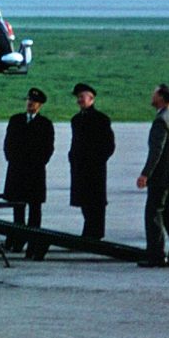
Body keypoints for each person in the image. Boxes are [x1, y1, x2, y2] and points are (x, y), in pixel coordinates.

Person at [2, 87, 55, 259]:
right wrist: (13, 159)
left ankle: (33, 241)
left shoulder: (45, 124)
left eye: (34, 102)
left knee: (35, 209)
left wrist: (36, 163)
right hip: (17, 170)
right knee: (18, 208)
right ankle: (18, 240)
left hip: (35, 172)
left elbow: (48, 148)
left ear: (40, 105)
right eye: (29, 101)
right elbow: (8, 143)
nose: (30, 104)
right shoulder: (16, 120)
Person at [136, 84, 169, 268]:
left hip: (162, 176)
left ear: (162, 98)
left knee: (154, 214)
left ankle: (156, 255)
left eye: (154, 93)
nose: (152, 96)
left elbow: (156, 151)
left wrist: (145, 174)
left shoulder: (161, 121)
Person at [66, 82, 115, 239]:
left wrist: (97, 160)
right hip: (79, 167)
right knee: (84, 201)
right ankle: (89, 231)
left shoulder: (101, 119)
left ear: (91, 99)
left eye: (82, 97)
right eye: (78, 97)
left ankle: (95, 233)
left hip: (94, 168)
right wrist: (72, 157)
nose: (79, 100)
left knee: (96, 202)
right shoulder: (76, 119)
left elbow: (109, 145)